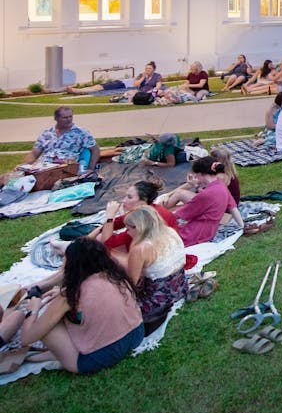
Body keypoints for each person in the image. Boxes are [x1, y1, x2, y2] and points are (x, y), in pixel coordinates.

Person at [13, 239, 144, 374]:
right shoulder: (116, 276)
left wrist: (33, 310)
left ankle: (65, 357)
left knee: (47, 324)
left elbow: (27, 338)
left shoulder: (72, 293)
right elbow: (98, 296)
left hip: (99, 358)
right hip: (136, 334)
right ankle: (58, 353)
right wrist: (61, 292)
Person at [118, 206, 187, 332]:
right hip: (180, 287)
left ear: (138, 228)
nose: (127, 232)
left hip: (157, 301)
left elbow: (132, 282)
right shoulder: (169, 231)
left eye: (128, 229)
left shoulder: (141, 248)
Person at [173, 156, 242, 246]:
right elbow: (233, 208)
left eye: (196, 175)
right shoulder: (221, 186)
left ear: (201, 174)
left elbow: (181, 213)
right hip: (209, 232)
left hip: (193, 234)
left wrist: (160, 215)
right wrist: (242, 226)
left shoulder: (206, 194)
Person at [20, 107, 99, 170]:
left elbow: (95, 149)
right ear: (56, 118)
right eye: (65, 117)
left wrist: (90, 169)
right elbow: (34, 154)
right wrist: (22, 167)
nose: (69, 120)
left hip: (65, 167)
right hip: (44, 166)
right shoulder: (47, 133)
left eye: (70, 117)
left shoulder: (81, 132)